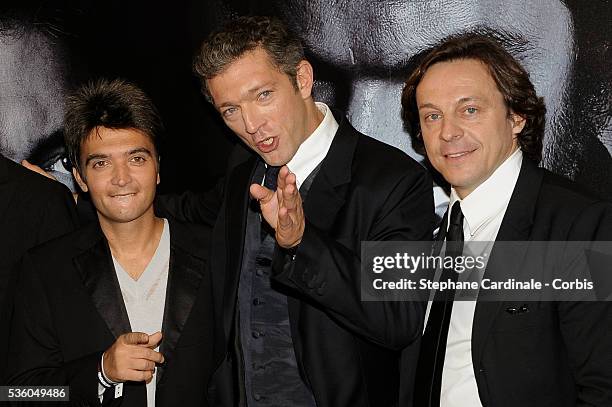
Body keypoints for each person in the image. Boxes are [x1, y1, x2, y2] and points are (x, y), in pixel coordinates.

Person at [157, 15, 434, 406]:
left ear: (302, 79)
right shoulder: (243, 168)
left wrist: (303, 242)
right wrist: (76, 195)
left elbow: (399, 319)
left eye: (262, 96)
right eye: (230, 111)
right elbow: (187, 210)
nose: (251, 124)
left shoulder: (392, 180)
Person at [401, 33, 612, 407]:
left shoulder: (581, 225)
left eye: (469, 110)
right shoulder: (421, 227)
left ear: (517, 117)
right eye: (432, 115)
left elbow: (603, 386)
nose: (448, 132)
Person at [7, 79, 215, 407]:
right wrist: (101, 372)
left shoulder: (216, 254)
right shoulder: (45, 270)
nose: (121, 178)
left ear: (157, 167)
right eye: (101, 163)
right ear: (80, 177)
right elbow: (20, 394)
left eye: (136, 159)